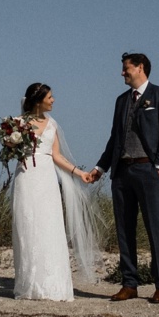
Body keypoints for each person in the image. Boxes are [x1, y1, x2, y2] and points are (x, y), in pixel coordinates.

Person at [86, 53, 159, 304]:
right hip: (122, 173)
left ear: (140, 68)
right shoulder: (121, 101)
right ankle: (129, 283)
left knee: (154, 228)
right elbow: (115, 138)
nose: (122, 73)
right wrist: (100, 168)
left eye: (126, 69)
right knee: (124, 230)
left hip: (148, 170)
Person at [10, 83, 100, 300]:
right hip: (26, 177)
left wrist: (79, 173)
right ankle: (29, 284)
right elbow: (12, 150)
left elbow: (57, 156)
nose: (53, 100)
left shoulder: (52, 125)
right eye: (50, 97)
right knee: (27, 225)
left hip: (46, 179)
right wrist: (13, 147)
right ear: (39, 100)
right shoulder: (17, 123)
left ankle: (52, 286)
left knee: (49, 227)